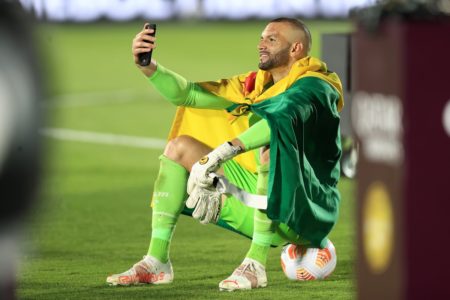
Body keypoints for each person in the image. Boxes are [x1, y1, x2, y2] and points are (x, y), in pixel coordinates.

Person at [107, 17, 344, 291]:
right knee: (178, 148)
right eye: (261, 37)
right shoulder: (256, 84)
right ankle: (156, 262)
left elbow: (280, 121)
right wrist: (148, 67)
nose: (261, 45)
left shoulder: (316, 86)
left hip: (304, 208)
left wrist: (220, 154)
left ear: (296, 49)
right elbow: (190, 95)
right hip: (261, 197)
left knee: (271, 150)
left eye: (271, 39)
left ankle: (255, 265)